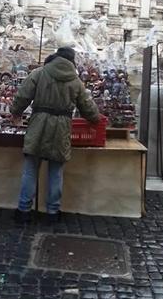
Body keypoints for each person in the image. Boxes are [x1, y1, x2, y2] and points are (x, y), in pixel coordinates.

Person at [10, 47, 100, 223]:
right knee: (56, 172)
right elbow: (88, 108)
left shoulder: (40, 73)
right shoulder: (75, 81)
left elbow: (22, 96)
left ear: (56, 56)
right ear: (71, 61)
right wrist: (95, 119)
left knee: (30, 170)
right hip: (61, 128)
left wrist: (15, 112)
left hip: (39, 125)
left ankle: (23, 210)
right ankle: (52, 212)